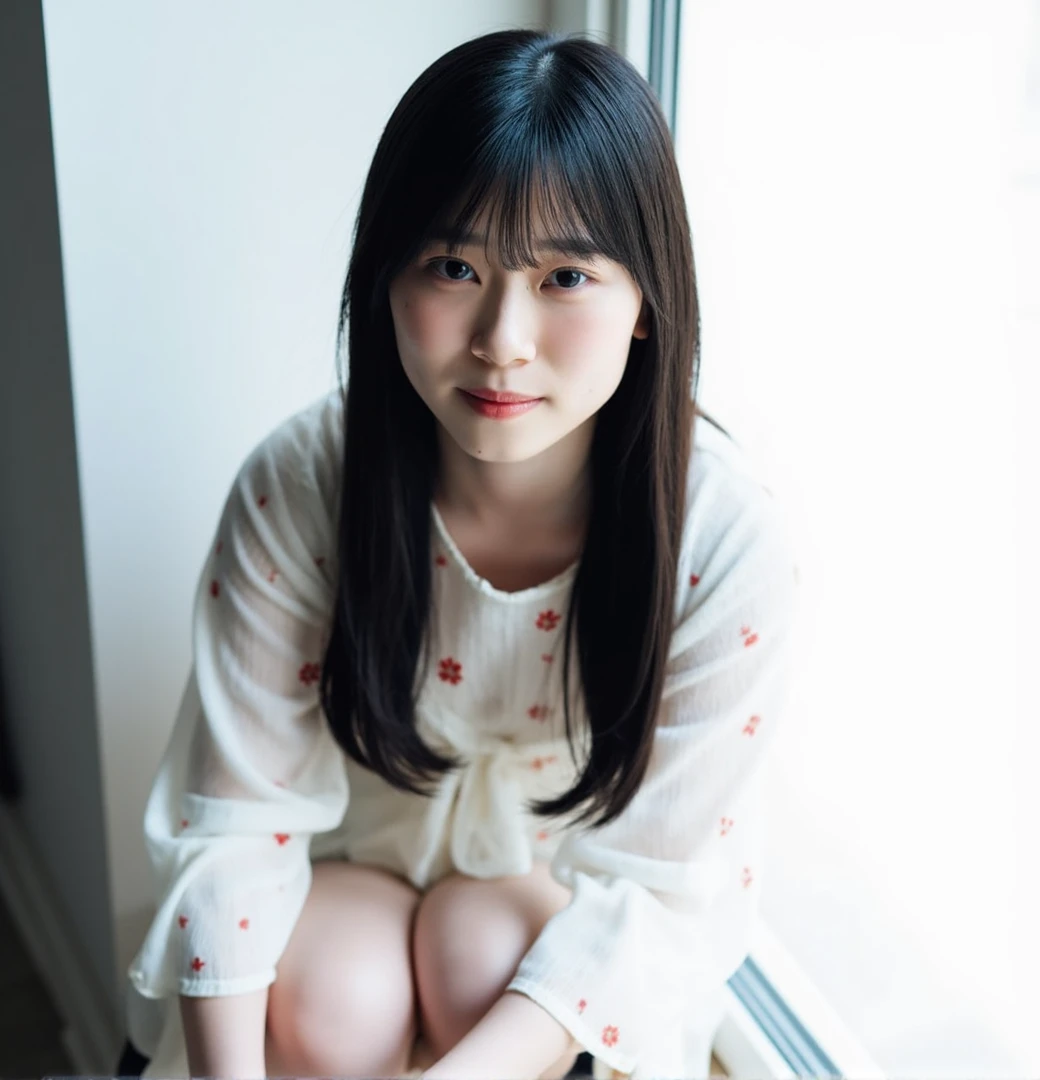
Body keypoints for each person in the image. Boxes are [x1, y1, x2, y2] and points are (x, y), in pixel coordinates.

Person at [122, 26, 799, 1080]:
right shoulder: (303, 482)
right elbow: (235, 823)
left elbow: (659, 892)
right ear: (384, 275)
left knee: (487, 958)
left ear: (646, 307)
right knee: (333, 1008)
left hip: (558, 892)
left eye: (565, 275)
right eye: (452, 265)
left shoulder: (721, 538)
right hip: (345, 858)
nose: (501, 338)